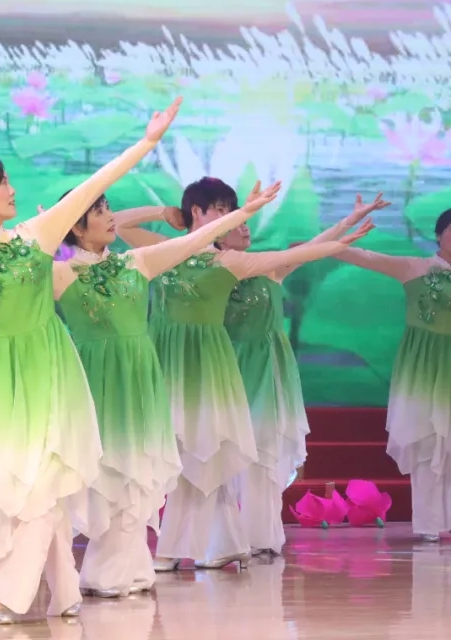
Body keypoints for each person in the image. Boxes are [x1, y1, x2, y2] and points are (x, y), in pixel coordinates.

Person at [0, 97, 182, 624]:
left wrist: (147, 143)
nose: (12, 189)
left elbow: (92, 185)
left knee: (42, 480)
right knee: (24, 484)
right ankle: (64, 589)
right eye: (1, 183)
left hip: (47, 368)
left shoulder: (34, 236)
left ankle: (7, 591)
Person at [115, 178, 374, 572]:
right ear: (197, 212)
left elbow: (300, 254)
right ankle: (222, 543)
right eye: (221, 210)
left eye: (232, 212)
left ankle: (184, 547)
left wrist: (343, 234)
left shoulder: (228, 262)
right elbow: (119, 224)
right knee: (184, 456)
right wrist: (163, 213)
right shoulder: (162, 251)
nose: (233, 220)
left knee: (203, 453)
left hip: (207, 366)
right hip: (165, 364)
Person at [52, 181, 281, 597]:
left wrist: (245, 212)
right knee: (102, 469)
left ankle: (129, 570)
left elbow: (193, 241)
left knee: (137, 471)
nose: (111, 217)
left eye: (108, 208)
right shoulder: (62, 269)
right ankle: (101, 572)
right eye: (100, 212)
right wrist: (160, 213)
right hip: (92, 378)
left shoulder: (132, 262)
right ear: (76, 227)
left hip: (139, 376)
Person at [221, 192, 390, 556]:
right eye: (237, 225)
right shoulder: (211, 271)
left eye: (247, 223)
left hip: (267, 367)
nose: (246, 229)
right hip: (227, 366)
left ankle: (262, 537)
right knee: (228, 451)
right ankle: (226, 538)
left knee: (264, 451)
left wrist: (349, 220)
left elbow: (311, 248)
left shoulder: (268, 266)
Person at [329, 205, 451, 543]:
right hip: (425, 367)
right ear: (439, 234)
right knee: (428, 442)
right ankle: (429, 523)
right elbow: (368, 257)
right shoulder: (416, 267)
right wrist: (321, 247)